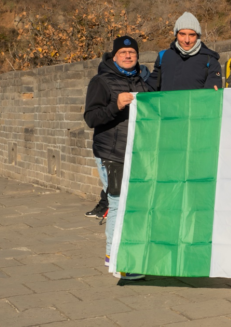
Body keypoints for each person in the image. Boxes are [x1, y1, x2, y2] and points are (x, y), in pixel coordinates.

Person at [84, 36, 150, 281]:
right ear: (114, 56)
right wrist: (116, 106)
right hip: (112, 153)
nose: (128, 55)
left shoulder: (143, 80)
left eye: (132, 52)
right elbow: (91, 118)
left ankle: (130, 255)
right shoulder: (100, 81)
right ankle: (116, 259)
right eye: (123, 52)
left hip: (138, 152)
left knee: (134, 206)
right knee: (118, 204)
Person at [147, 12, 222, 91]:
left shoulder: (210, 60)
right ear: (176, 34)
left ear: (198, 36)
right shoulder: (163, 56)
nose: (187, 40)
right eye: (182, 34)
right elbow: (149, 88)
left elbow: (211, 95)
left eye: (192, 35)